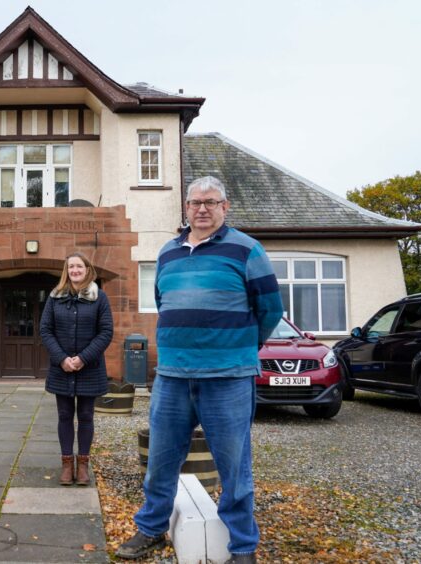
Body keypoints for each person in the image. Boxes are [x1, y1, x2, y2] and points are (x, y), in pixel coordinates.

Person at [116, 177, 283, 562]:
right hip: (173, 376)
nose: (202, 209)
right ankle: (151, 528)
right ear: (186, 208)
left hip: (228, 378)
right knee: (160, 462)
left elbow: (270, 309)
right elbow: (165, 301)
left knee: (234, 469)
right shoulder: (168, 253)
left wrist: (239, 346)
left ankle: (242, 546)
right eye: (195, 202)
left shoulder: (247, 250)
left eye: (211, 202)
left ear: (225, 206)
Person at [40, 252, 113, 486]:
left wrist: (83, 358)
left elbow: (105, 332)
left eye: (79, 266)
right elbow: (45, 330)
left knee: (85, 416)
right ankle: (66, 464)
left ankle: (82, 465)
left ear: (87, 269)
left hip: (89, 368)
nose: (75, 270)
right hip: (61, 368)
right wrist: (62, 358)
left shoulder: (99, 297)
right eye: (71, 267)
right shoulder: (54, 297)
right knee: (63, 415)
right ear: (66, 271)